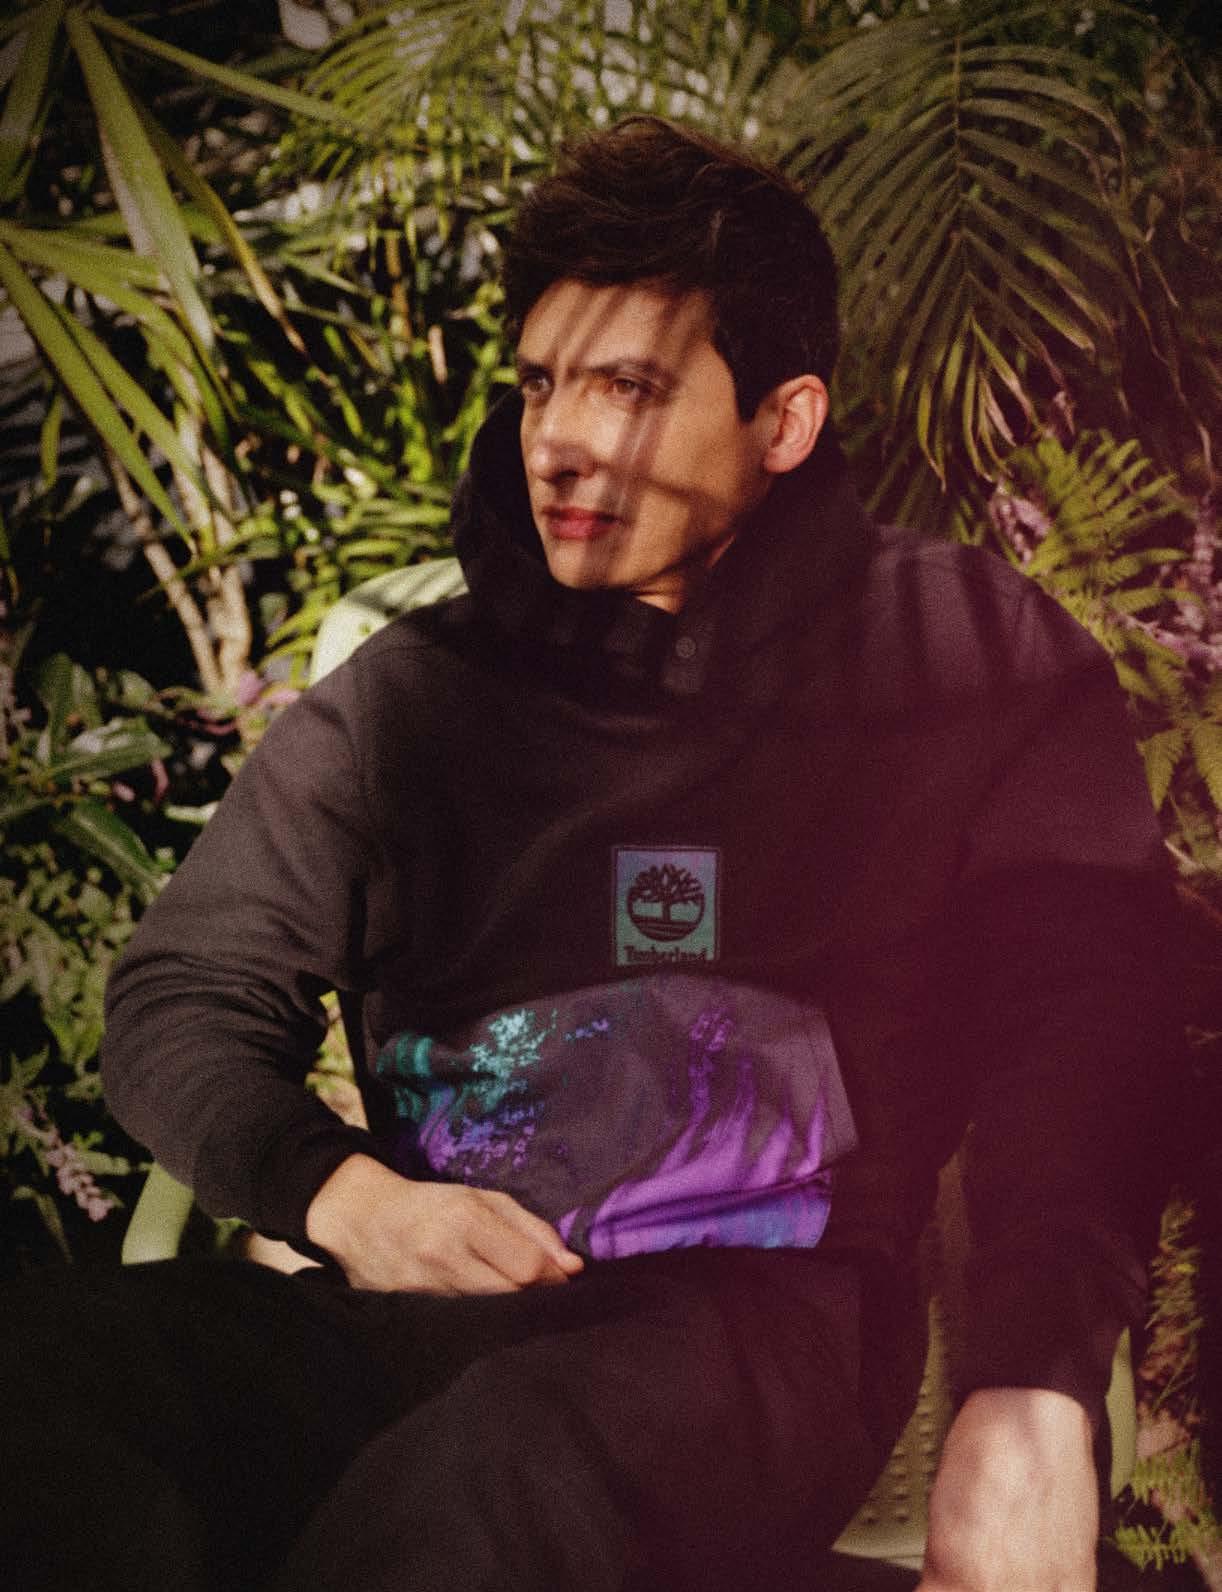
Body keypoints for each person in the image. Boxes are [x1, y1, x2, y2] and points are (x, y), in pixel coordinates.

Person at [1, 116, 1181, 1592]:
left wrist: (1033, 1391)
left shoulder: (961, 657)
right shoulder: (411, 702)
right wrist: (347, 1199)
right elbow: (186, 990)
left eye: (627, 388)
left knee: (502, 1469)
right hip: (422, 1304)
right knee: (43, 1377)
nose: (556, 438)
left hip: (760, 1334)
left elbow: (1088, 1029)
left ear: (784, 423)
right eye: (540, 384)